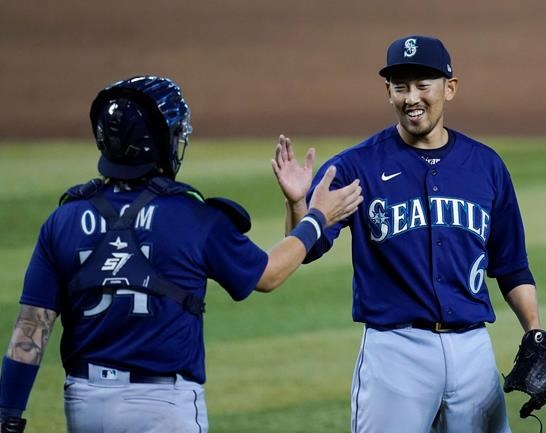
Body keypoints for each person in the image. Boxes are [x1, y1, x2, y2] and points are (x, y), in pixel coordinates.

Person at [0, 75, 363, 433]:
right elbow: (267, 275)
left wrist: (8, 414)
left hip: (84, 401)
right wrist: (316, 217)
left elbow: (30, 330)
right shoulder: (193, 217)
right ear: (160, 143)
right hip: (161, 408)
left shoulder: (63, 220)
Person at [271, 35, 546, 433]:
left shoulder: (486, 166)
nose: (412, 97)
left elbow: (512, 266)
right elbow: (306, 248)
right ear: (388, 93)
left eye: (422, 85)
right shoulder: (355, 166)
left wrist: (533, 330)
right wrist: (295, 205)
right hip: (395, 353)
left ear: (450, 87)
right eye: (401, 87)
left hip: (472, 352)